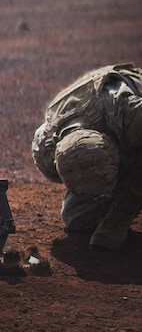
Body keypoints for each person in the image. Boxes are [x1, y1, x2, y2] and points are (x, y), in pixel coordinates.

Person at [32, 62, 142, 250]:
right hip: (108, 127)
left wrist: (125, 207)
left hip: (126, 114)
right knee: (77, 217)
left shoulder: (128, 114)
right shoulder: (46, 154)